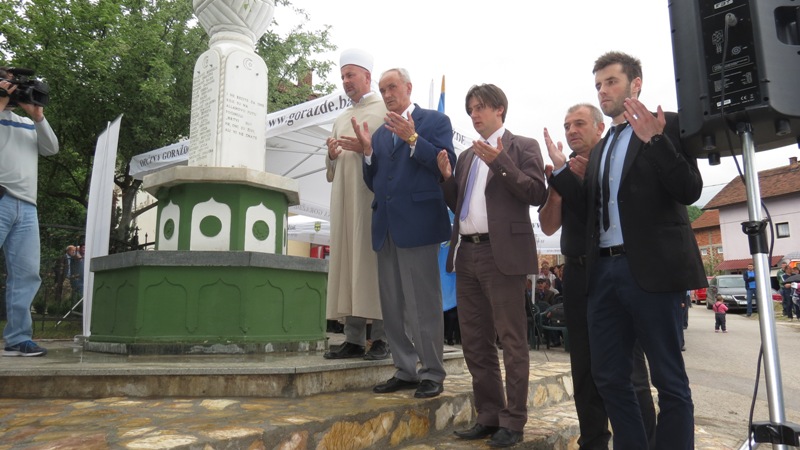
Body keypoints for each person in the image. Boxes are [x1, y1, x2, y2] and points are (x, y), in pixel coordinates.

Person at [548, 51, 706, 449]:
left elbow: (689, 189)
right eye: (598, 85)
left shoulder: (668, 125)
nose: (602, 90)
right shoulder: (601, 148)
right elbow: (588, 212)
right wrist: (562, 172)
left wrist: (655, 140)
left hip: (652, 271)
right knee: (608, 377)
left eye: (611, 82)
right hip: (604, 274)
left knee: (668, 379)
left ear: (636, 84)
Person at [540, 103, 656, 449]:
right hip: (576, 274)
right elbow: (548, 225)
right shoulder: (562, 170)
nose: (571, 131)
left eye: (579, 123)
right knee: (584, 367)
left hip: (612, 269)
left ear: (599, 127)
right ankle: (592, 442)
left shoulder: (615, 162)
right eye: (566, 126)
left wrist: (584, 177)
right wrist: (558, 188)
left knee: (628, 366)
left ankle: (643, 441)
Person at [437, 84, 546, 448]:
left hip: (503, 255)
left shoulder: (523, 146)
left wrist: (499, 162)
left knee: (512, 341)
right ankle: (488, 415)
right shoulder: (467, 156)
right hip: (466, 253)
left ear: (500, 109)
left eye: (480, 107)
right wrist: (447, 178)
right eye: (470, 109)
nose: (474, 115)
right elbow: (458, 204)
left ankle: (513, 421)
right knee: (474, 342)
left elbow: (536, 192)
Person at [351, 67, 455, 399]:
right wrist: (368, 153)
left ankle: (432, 372)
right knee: (393, 307)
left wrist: (413, 138)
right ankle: (405, 369)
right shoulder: (381, 134)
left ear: (408, 87)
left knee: (423, 305)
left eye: (392, 87)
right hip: (385, 227)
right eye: (382, 89)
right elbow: (375, 183)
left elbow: (446, 165)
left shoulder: (435, 122)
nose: (387, 94)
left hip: (419, 226)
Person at [322, 49, 390, 361]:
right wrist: (331, 154)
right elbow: (330, 170)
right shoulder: (339, 119)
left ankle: (382, 338)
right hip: (344, 204)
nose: (346, 81)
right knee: (348, 265)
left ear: (367, 76)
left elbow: (393, 155)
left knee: (372, 267)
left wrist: (367, 148)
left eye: (350, 75)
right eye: (343, 76)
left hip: (370, 201)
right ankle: (352, 339)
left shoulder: (384, 110)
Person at [1, 66, 59, 357]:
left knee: (26, 275)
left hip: (26, 207)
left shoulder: (26, 123)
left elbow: (51, 148)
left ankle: (17, 338)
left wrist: (38, 117)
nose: (13, 89)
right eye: (7, 83)